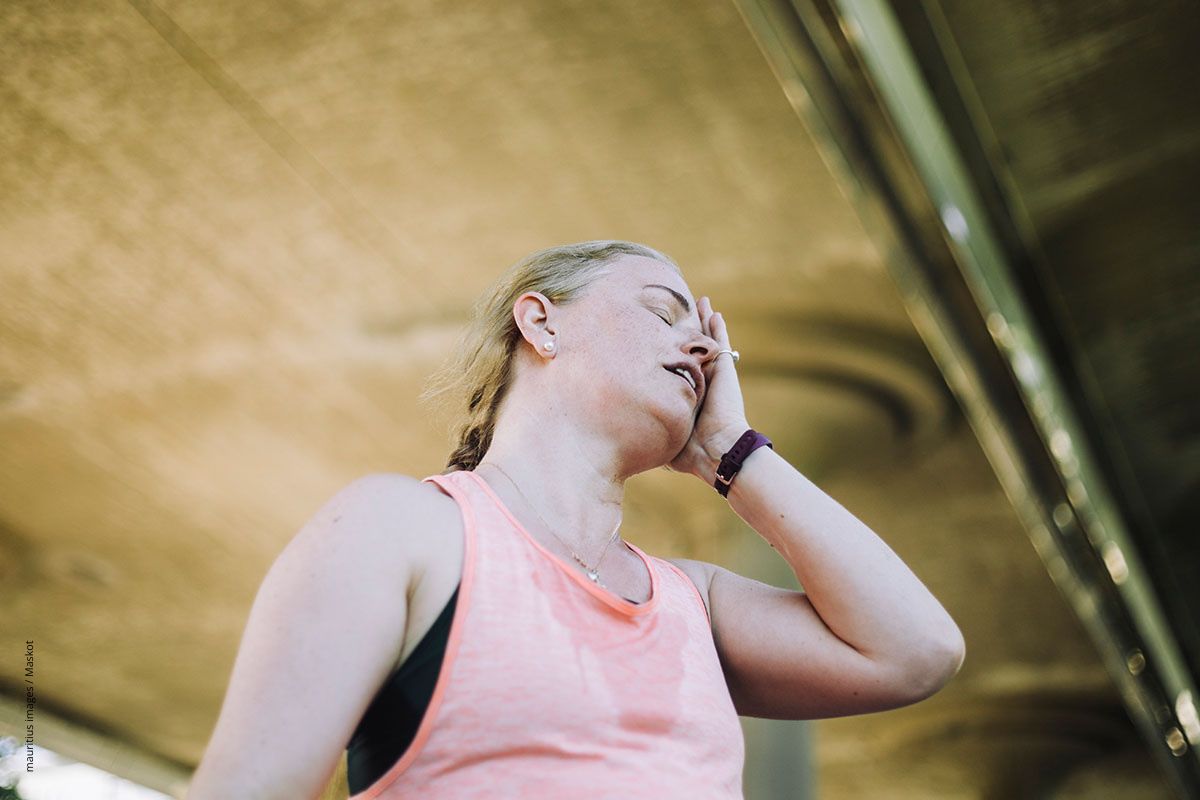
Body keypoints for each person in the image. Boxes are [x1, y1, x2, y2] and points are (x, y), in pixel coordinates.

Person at [186, 240, 965, 799]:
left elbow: (916, 652)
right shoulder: (401, 528)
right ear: (541, 323)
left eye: (703, 336)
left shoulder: (695, 603)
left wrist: (732, 448)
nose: (700, 346)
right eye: (663, 313)